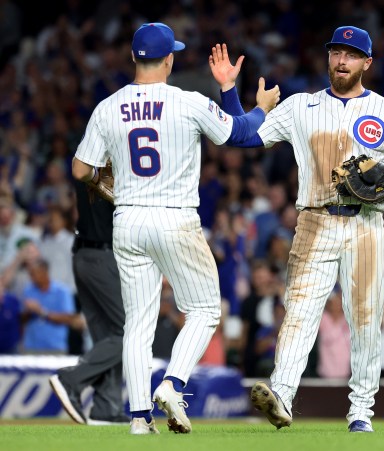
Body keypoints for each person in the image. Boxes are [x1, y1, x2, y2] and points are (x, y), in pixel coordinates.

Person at [209, 25, 384, 432]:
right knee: (299, 312)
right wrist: (228, 92)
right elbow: (241, 135)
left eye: (350, 54)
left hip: (365, 223)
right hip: (314, 219)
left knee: (365, 317)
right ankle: (282, 395)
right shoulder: (299, 107)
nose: (341, 60)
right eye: (335, 53)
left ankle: (361, 410)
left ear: (366, 62)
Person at [71, 22, 280, 435]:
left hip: (127, 220)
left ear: (134, 57)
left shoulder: (108, 106)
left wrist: (102, 179)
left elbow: (80, 169)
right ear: (169, 59)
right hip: (175, 217)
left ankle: (136, 419)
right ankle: (171, 384)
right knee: (203, 310)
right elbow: (240, 133)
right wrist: (256, 104)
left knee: (137, 324)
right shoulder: (187, 101)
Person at [49, 181, 127, 426]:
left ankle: (107, 407)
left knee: (107, 335)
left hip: (83, 255)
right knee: (130, 332)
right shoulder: (117, 167)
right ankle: (71, 379)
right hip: (104, 257)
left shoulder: (86, 162)